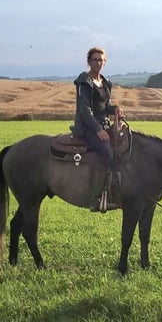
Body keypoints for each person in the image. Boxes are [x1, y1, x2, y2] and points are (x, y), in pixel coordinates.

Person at [72, 46, 125, 211]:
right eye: (95, 59)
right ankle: (95, 198)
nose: (98, 63)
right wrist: (97, 129)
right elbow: (85, 109)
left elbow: (104, 106)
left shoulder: (105, 82)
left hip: (103, 125)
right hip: (88, 127)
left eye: (101, 59)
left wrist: (115, 109)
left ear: (105, 62)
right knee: (107, 153)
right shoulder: (84, 81)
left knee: (123, 148)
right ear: (89, 62)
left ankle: (115, 189)